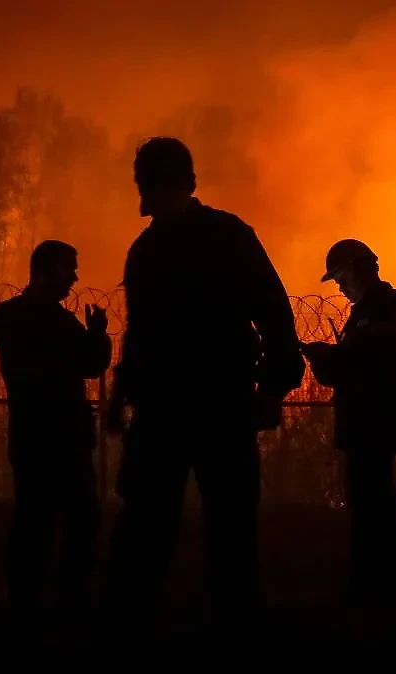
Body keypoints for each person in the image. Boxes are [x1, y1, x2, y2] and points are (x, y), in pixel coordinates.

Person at [103, 137, 305, 625]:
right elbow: (271, 314)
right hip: (207, 405)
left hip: (193, 406)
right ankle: (211, 620)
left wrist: (274, 385)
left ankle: (141, 620)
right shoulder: (211, 238)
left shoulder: (162, 247)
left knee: (178, 523)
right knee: (209, 523)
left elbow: (273, 315)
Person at [0, 240, 112, 620]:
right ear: (48, 269)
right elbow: (90, 364)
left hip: (35, 436)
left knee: (39, 520)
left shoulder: (10, 316)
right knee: (72, 519)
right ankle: (65, 599)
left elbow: (87, 363)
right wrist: (94, 336)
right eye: (69, 268)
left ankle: (28, 601)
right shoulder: (52, 321)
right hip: (59, 437)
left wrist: (93, 336)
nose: (75, 277)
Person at [301, 238, 396, 607]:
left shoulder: (393, 306)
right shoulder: (369, 311)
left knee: (375, 503)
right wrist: (326, 359)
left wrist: (335, 356)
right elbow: (352, 365)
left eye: (339, 276)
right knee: (369, 501)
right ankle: (379, 581)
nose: (337, 285)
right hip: (362, 422)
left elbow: (375, 357)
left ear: (357, 269)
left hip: (377, 421)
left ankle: (378, 583)